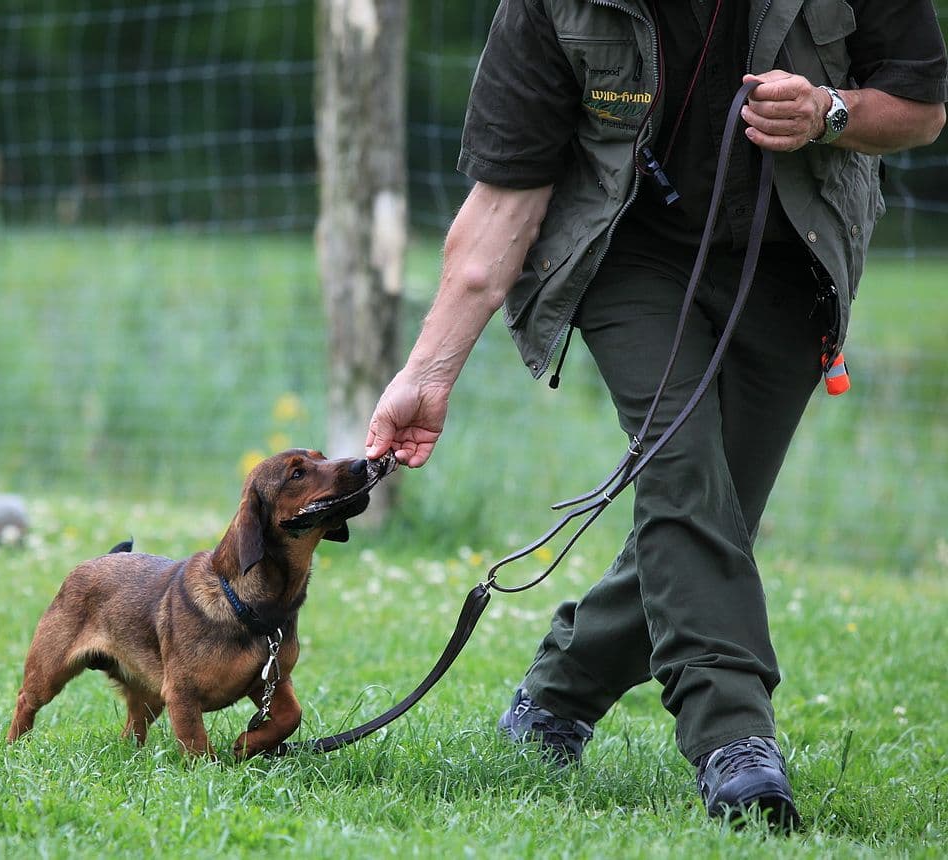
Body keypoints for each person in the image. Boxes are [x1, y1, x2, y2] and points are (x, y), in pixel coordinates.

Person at [364, 0, 947, 828]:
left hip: (788, 261)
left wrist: (830, 111)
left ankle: (557, 693)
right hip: (626, 258)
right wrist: (426, 374)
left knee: (713, 512)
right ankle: (734, 742)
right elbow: (502, 204)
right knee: (682, 473)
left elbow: (922, 108)